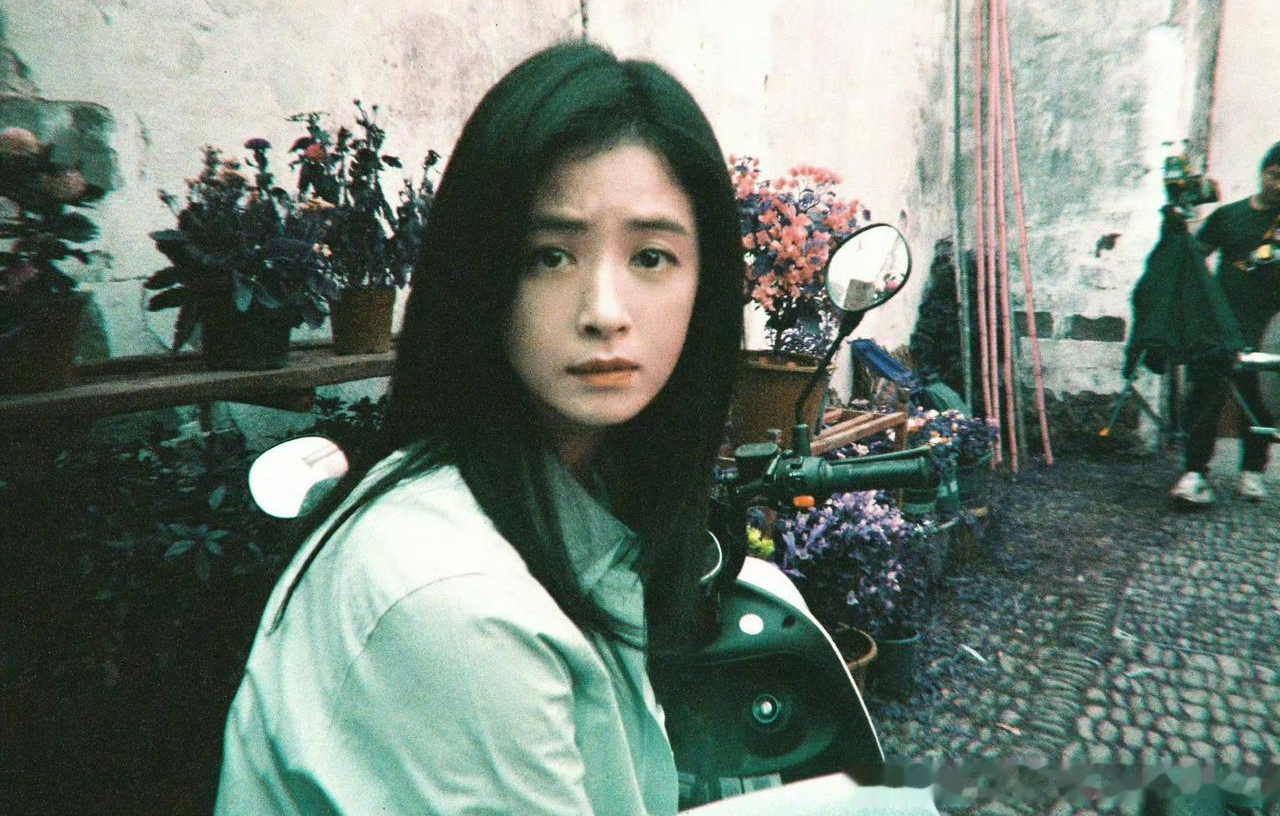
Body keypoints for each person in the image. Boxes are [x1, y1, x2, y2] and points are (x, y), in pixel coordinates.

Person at [214, 41, 937, 814]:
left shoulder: (580, 486)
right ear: (481, 277)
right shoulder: (461, 607)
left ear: (706, 285)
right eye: (550, 256)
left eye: (651, 256)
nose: (604, 311)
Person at [1170, 141, 1280, 505]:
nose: (1278, 185)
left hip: (1266, 323)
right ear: (1262, 173)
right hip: (1219, 320)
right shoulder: (1229, 216)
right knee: (1205, 391)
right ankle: (1195, 472)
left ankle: (1252, 471)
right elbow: (1196, 255)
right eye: (1274, 175)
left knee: (1258, 396)